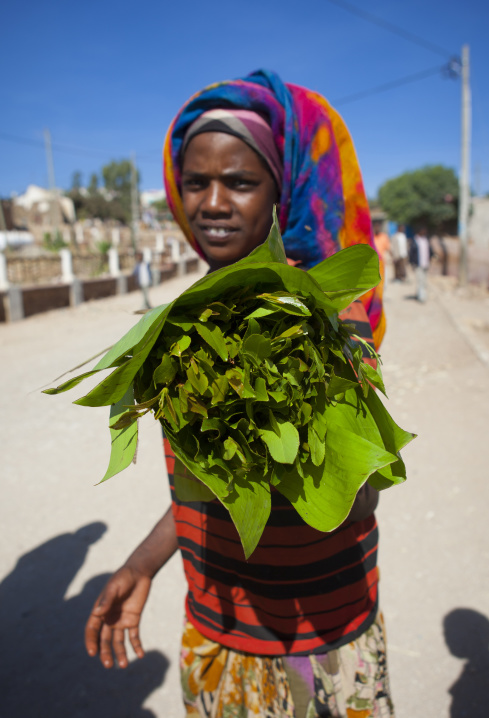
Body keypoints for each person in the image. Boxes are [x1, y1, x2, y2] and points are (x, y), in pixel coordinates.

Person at [84, 70, 392, 717]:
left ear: (282, 190)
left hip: (323, 643)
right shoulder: (176, 330)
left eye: (241, 182)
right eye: (197, 182)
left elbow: (359, 500)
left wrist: (307, 403)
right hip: (219, 635)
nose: (214, 202)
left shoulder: (331, 315)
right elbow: (209, 485)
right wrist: (143, 563)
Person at [413, 227, 431, 302]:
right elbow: (412, 253)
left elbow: (429, 251)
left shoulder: (426, 240)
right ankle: (421, 296)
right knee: (420, 280)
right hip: (418, 264)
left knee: (424, 281)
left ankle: (422, 294)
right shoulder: (415, 240)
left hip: (425, 264)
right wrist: (412, 263)